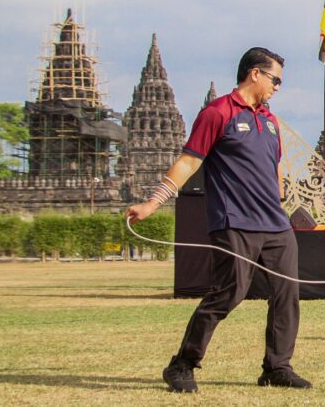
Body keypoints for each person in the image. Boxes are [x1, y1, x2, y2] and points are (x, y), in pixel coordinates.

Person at [126, 47, 311, 392]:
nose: (278, 87)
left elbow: (275, 165)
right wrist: (153, 203)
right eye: (275, 79)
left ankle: (277, 366)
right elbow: (188, 162)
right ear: (254, 74)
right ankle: (183, 364)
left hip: (276, 225)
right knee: (229, 293)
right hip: (235, 221)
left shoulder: (269, 121)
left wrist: (280, 185)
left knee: (287, 294)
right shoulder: (218, 112)